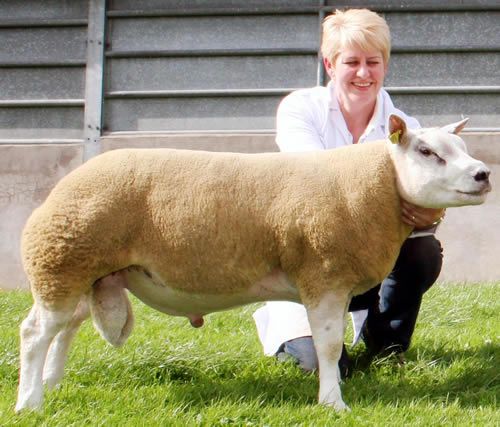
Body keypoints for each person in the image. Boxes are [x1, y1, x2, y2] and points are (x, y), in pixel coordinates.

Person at [252, 8, 445, 376]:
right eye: (351, 62)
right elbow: (314, 181)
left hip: (364, 262)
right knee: (319, 366)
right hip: (306, 262)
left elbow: (425, 194)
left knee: (423, 249)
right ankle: (299, 333)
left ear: (385, 65)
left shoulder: (408, 128)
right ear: (330, 64)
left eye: (373, 62)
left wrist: (431, 212)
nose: (363, 73)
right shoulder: (299, 109)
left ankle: (385, 343)